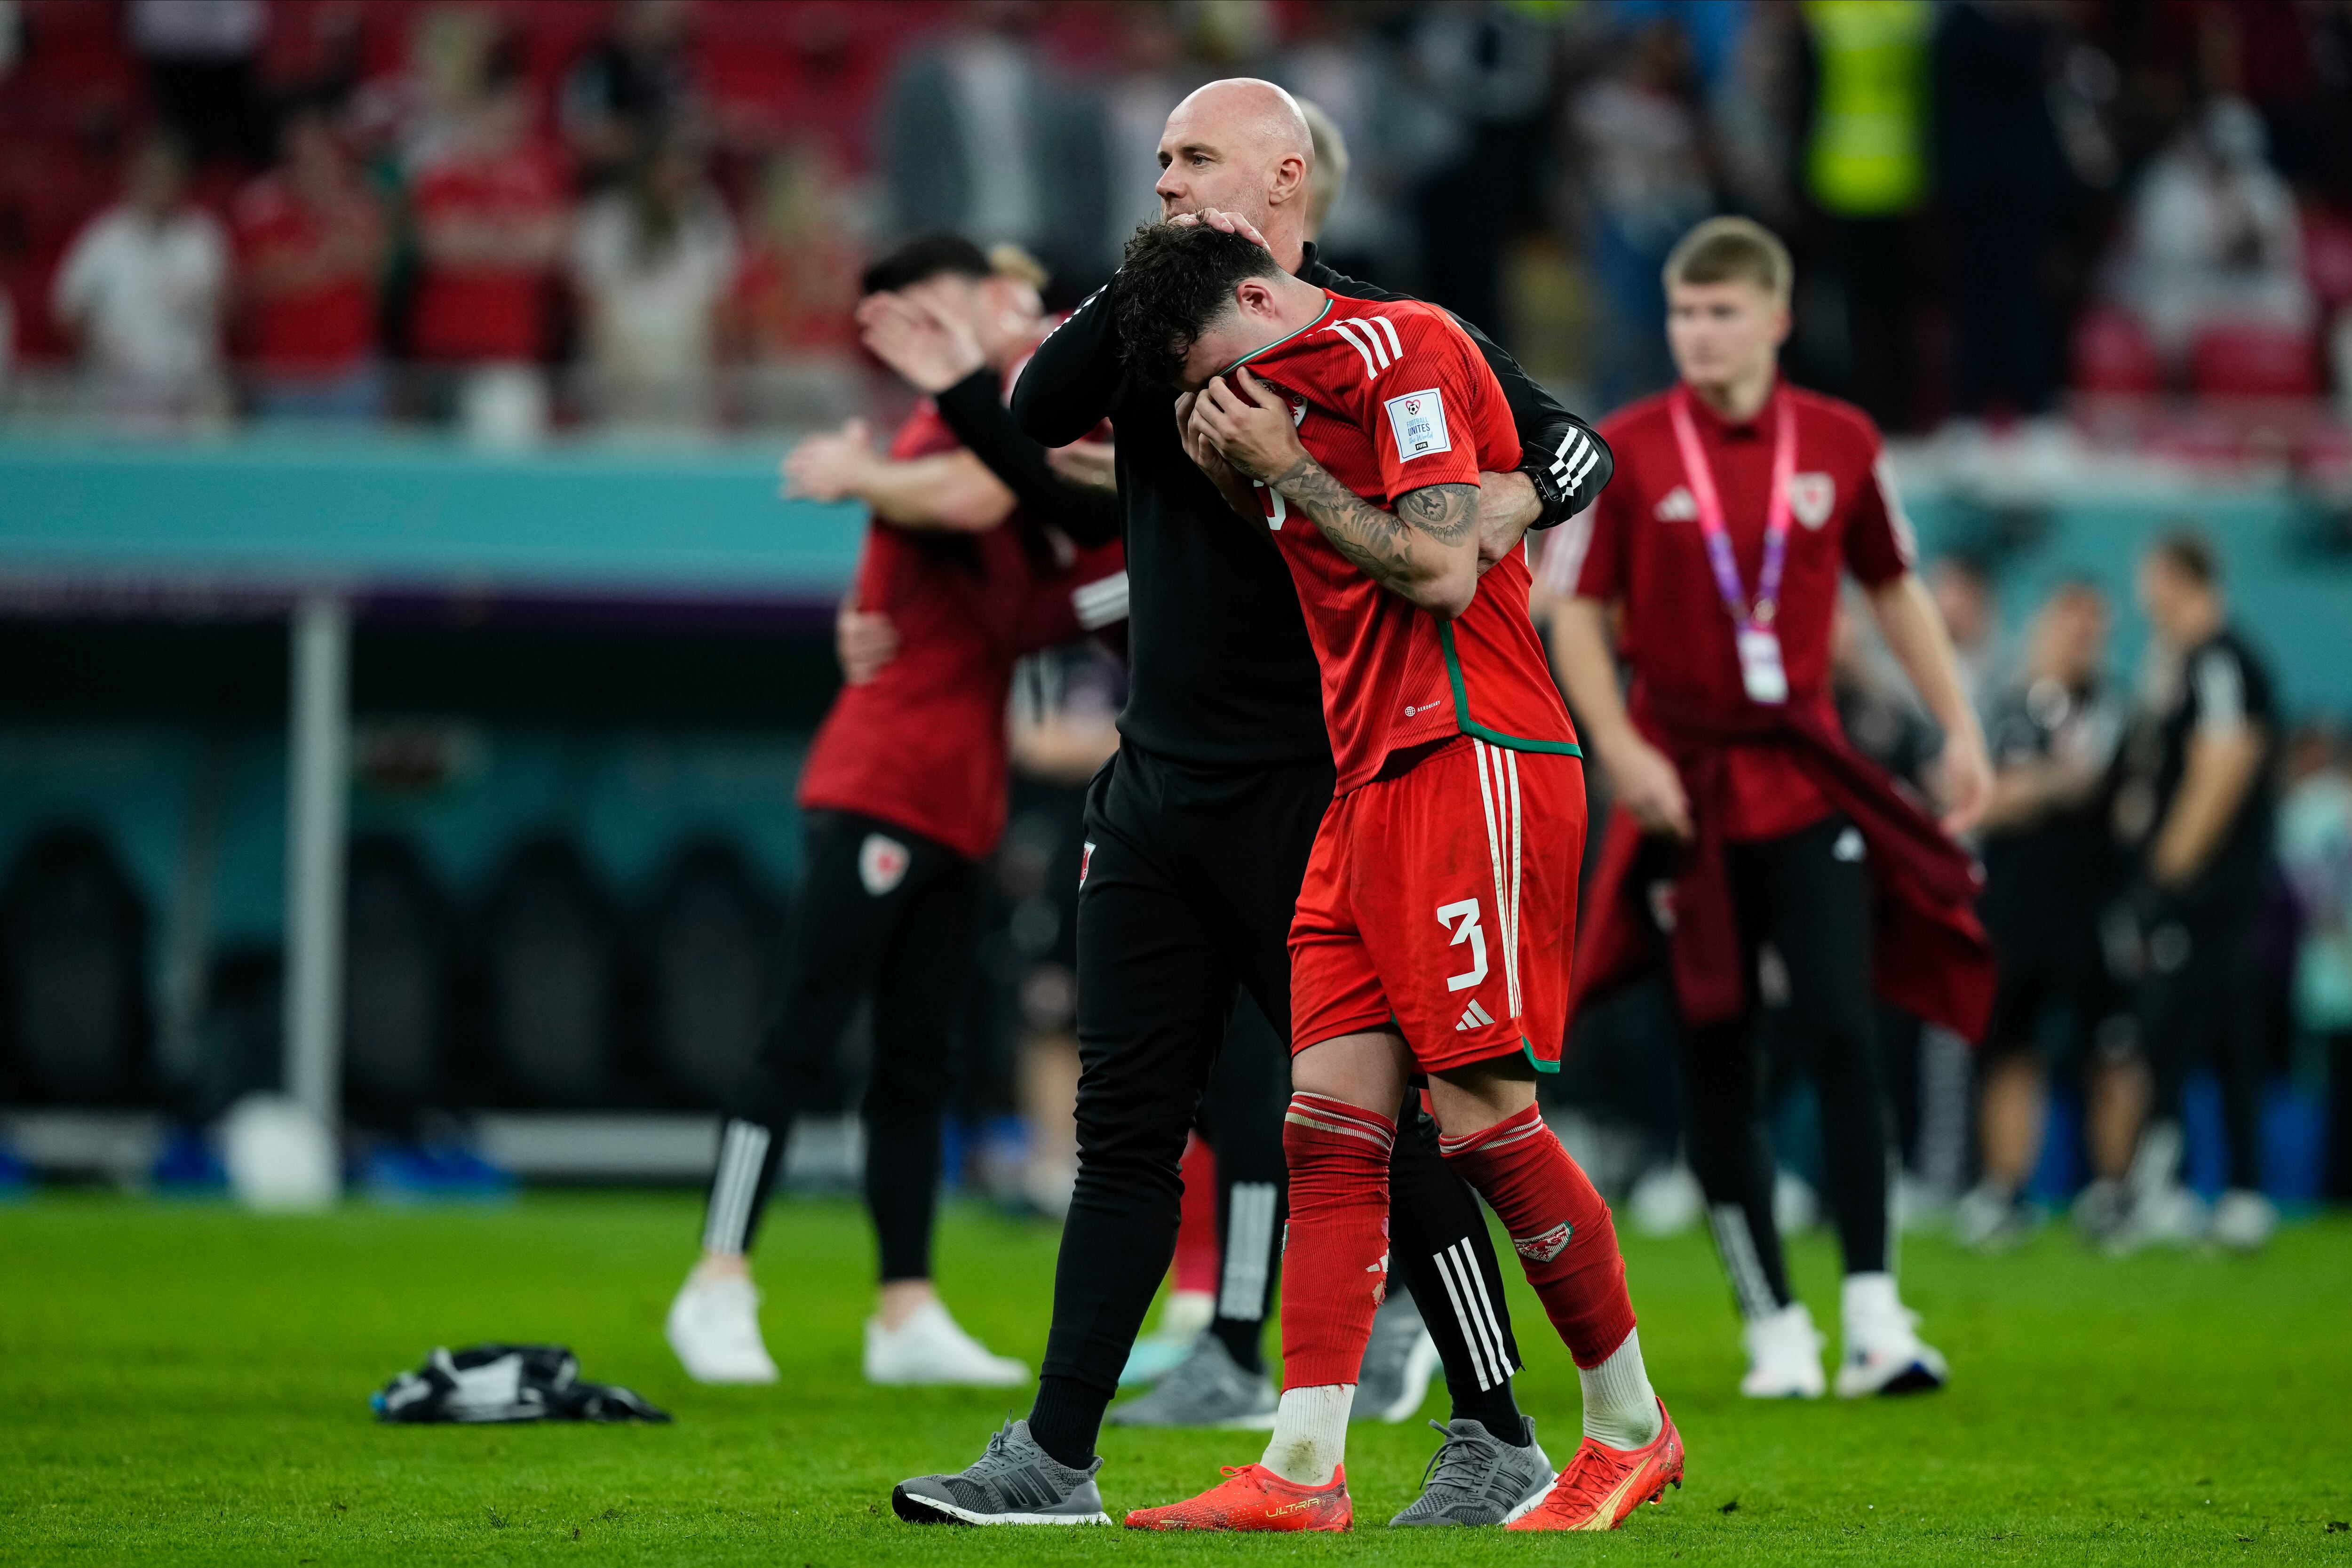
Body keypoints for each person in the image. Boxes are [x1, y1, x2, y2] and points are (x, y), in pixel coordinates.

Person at [890, 78, 1612, 1531]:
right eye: (1155, 157)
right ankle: (1055, 1453)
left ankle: (1496, 1428)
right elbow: (1037, 408)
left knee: (1383, 1133)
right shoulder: (1154, 333)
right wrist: (1156, 270)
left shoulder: (1373, 333)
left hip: (1315, 784)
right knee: (1121, 1129)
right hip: (1155, 784)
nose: (1163, 179)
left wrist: (1481, 510)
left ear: (1285, 176)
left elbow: (1570, 451)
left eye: (1194, 158)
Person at [1102, 218, 1681, 1536]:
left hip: (1472, 748)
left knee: (1480, 1117)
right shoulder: (1252, 406)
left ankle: (1632, 1427)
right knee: (1327, 1122)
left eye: (1219, 361)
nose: (1219, 395)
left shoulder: (1395, 347)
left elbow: (1434, 564)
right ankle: (1305, 1466)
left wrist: (1286, 467)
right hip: (1366, 777)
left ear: (1265, 291)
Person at [662, 234, 1127, 1388]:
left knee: (922, 1058)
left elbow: (1066, 553)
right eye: (1006, 296)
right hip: (881, 775)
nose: (1030, 316)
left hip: (963, 794)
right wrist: (872, 481)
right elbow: (972, 487)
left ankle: (905, 1310)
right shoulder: (965, 426)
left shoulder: (1043, 438)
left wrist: (864, 492)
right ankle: (716, 1280)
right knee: (804, 1026)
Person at [1547, 216, 1994, 1402]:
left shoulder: (1839, 441)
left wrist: (1958, 725)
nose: (1698, 334)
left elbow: (1893, 590)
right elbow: (1580, 613)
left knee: (1846, 1031)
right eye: (1686, 314)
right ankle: (1771, 1323)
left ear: (1776, 319)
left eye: (1721, 313)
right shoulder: (1631, 448)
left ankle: (1876, 1312)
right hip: (1684, 787)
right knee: (1715, 1049)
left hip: (1804, 772)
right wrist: (1619, 743)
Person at [1952, 581, 2137, 1250]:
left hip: (2094, 904)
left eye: (2095, 626)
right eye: (2072, 622)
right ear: (2045, 624)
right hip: (2016, 904)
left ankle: (2115, 1192)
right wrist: (2045, 787)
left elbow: (2116, 797)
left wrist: (2034, 788)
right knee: (2010, 1049)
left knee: (2110, 1049)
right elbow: (1970, 799)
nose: (2082, 638)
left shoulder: (2116, 708)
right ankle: (2006, 1190)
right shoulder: (2003, 704)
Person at [2108, 533, 2280, 1252]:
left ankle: (2202, 1187)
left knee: (2191, 1032)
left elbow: (2225, 761)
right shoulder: (2180, 665)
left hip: (2211, 888)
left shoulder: (2220, 659)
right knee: (2192, 1032)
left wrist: (2168, 870)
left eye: (2152, 578)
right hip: (2204, 887)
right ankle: (2203, 1186)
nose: (2145, 594)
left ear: (2179, 578)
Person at [52, 130, 229, 427]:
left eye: (167, 175)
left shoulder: (203, 236)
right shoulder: (103, 237)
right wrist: (99, 346)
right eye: (151, 175)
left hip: (184, 398)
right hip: (115, 396)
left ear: (181, 181)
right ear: (134, 178)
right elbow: (67, 310)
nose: (159, 184)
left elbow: (224, 309)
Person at [567, 132, 737, 428]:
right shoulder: (607, 219)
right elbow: (592, 303)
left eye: (684, 170)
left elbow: (718, 308)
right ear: (646, 171)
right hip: (620, 364)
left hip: (686, 366)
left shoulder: (707, 220)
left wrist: (714, 380)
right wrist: (615, 364)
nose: (675, 178)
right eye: (667, 169)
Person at [233, 104, 388, 421]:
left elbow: (375, 272)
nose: (313, 163)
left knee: (354, 467)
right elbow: (265, 280)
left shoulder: (359, 203)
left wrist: (306, 264)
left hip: (348, 370)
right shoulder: (260, 204)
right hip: (284, 372)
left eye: (321, 153)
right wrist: (331, 259)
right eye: (303, 155)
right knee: (283, 467)